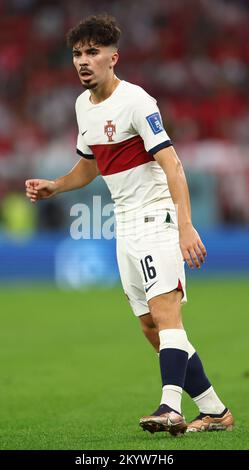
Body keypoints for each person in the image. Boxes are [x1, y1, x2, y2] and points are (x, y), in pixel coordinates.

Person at [25, 14, 234, 436]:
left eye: (93, 53)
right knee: (150, 327)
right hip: (125, 225)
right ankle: (214, 410)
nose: (83, 61)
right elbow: (89, 168)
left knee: (166, 314)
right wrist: (56, 187)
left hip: (158, 217)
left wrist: (185, 227)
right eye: (78, 54)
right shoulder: (83, 106)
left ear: (113, 57)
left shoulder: (138, 101)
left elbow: (172, 164)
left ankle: (170, 408)